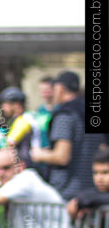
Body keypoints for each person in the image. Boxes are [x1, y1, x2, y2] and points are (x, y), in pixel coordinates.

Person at [31, 71, 103, 200]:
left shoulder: (65, 115)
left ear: (61, 88)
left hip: (67, 192)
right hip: (91, 192)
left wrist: (39, 154)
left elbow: (62, 157)